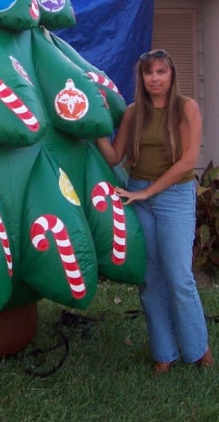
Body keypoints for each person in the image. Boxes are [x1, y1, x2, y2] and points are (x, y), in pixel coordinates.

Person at [96, 49, 214, 373]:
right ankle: (164, 354)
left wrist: (148, 190)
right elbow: (114, 157)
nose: (155, 79)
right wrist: (93, 126)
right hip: (140, 197)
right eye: (149, 73)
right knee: (150, 279)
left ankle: (198, 350)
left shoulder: (186, 108)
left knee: (178, 277)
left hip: (174, 197)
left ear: (171, 75)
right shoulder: (134, 113)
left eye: (161, 72)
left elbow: (188, 162)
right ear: (142, 78)